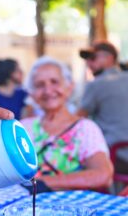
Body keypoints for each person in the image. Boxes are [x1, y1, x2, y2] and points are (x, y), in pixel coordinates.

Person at [21, 56, 113, 192]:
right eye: (40, 85)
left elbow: (103, 174)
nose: (48, 90)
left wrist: (41, 183)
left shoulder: (85, 128)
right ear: (32, 94)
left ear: (69, 87)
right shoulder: (24, 127)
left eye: (54, 82)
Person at [78, 41, 128, 174]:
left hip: (117, 156)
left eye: (93, 58)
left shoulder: (96, 85)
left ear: (110, 58)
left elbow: (76, 121)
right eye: (87, 59)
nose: (89, 63)